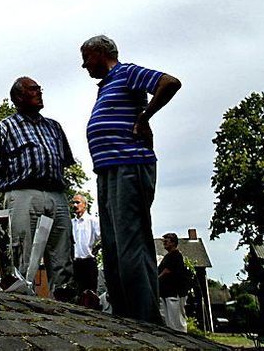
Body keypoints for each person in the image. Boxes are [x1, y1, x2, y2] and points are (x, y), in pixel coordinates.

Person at [80, 34, 181, 322]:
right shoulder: (105, 86)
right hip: (108, 169)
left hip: (129, 164)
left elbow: (169, 82)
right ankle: (125, 315)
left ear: (101, 53)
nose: (83, 64)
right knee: (112, 244)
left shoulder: (126, 72)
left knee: (130, 241)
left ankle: (144, 317)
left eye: (86, 56)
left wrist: (145, 117)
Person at [0, 76, 75, 301]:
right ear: (18, 97)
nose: (39, 92)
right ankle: (23, 302)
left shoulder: (54, 126)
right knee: (22, 253)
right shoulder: (5, 127)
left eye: (39, 88)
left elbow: (64, 160)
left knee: (62, 253)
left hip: (56, 194)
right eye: (33, 89)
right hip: (23, 194)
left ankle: (64, 302)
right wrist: (13, 194)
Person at [70, 194, 101, 303]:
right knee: (76, 295)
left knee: (90, 296)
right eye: (73, 202)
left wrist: (96, 248)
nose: (75, 205)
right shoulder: (71, 223)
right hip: (75, 263)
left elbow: (103, 237)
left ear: (85, 205)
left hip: (88, 262)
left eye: (77, 202)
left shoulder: (92, 221)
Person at [158, 232, 189, 332]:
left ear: (173, 242)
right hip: (165, 292)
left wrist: (157, 278)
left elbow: (167, 271)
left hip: (174, 293)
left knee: (176, 319)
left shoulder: (176, 255)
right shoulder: (167, 257)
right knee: (168, 320)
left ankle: (182, 337)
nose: (164, 243)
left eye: (166, 241)